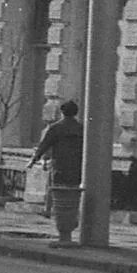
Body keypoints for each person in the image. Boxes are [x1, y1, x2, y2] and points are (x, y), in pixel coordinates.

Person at [28, 100, 86, 245]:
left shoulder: (56, 128)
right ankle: (70, 224)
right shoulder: (81, 129)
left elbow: (44, 145)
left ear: (62, 112)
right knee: (72, 198)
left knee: (59, 197)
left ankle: (62, 228)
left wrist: (33, 160)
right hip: (77, 168)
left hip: (60, 167)